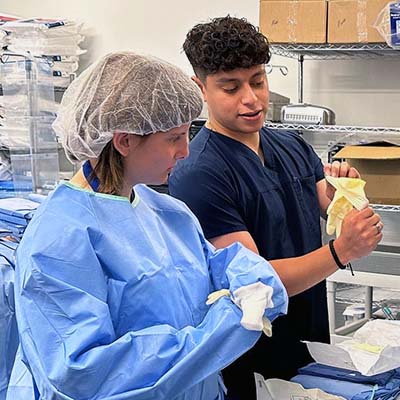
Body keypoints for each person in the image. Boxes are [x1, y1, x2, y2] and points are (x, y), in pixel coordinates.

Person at [10, 51, 289, 400]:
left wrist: (252, 280)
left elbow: (216, 265)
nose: (185, 151)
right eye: (174, 138)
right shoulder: (60, 240)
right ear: (125, 140)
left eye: (189, 134)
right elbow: (82, 372)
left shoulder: (167, 212)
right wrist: (218, 331)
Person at [168, 16, 384, 400]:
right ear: (199, 88)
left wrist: (344, 195)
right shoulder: (199, 174)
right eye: (230, 88)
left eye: (258, 81)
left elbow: (325, 204)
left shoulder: (292, 145)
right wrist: (341, 251)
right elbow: (257, 282)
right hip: (250, 355)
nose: (251, 99)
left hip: (309, 341)